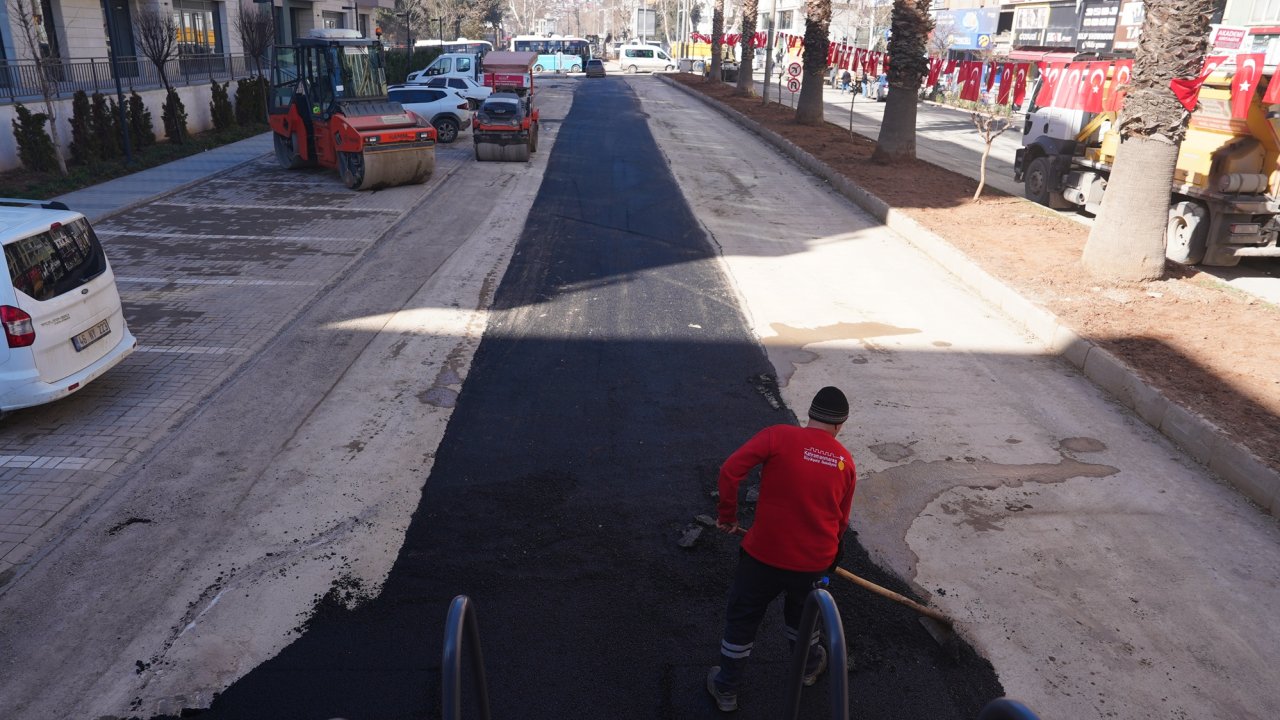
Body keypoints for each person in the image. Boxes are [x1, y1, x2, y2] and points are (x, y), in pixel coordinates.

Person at [706, 387, 858, 712]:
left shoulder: (777, 436)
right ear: (840, 424)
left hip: (763, 555)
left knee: (743, 618)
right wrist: (830, 555)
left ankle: (727, 689)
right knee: (804, 618)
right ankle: (807, 669)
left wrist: (728, 516)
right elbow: (841, 521)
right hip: (812, 563)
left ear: (810, 415)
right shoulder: (846, 461)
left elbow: (730, 471)